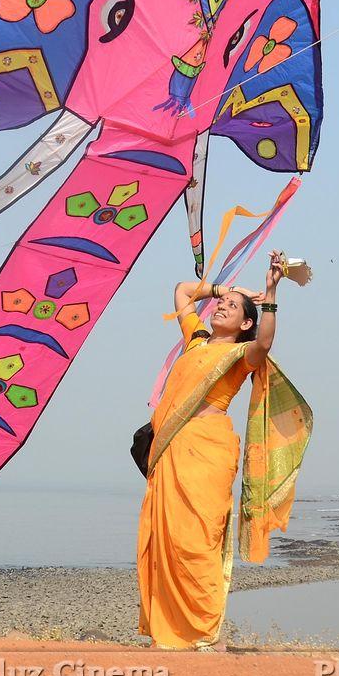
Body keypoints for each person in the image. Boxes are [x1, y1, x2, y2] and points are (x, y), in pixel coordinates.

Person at [136, 249, 312, 650]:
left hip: (208, 451)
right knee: (168, 537)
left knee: (198, 537)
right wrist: (227, 288)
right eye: (222, 304)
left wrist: (269, 292)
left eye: (232, 308)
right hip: (171, 451)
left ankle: (206, 634)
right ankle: (173, 632)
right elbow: (182, 291)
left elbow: (264, 344)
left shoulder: (238, 356)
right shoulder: (197, 341)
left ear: (245, 323)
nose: (222, 307)